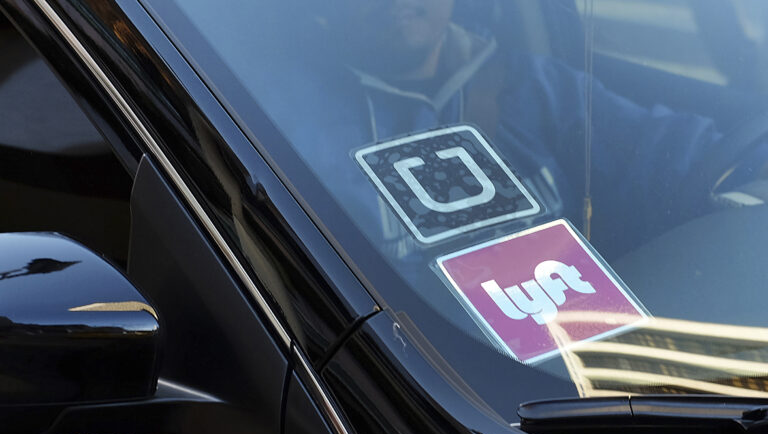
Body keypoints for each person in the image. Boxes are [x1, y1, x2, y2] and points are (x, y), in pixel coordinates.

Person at [257, 0, 765, 261]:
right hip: (420, 395)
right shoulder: (284, 126)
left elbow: (695, 158)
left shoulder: (536, 88)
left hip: (576, 379)